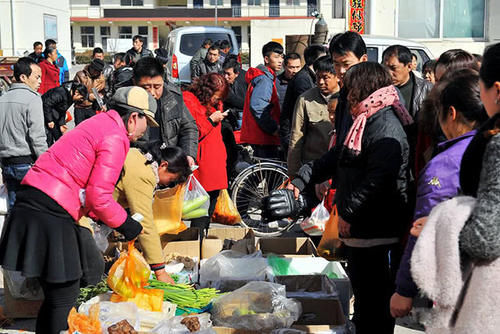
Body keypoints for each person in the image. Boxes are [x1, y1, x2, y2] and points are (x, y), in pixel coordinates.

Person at [265, 62, 412, 334]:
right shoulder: (364, 119)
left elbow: (376, 182)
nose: (347, 97)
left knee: (375, 303)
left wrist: (347, 212)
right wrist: (301, 179)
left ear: (365, 90)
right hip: (360, 229)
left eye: (351, 91)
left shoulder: (384, 126)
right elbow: (337, 158)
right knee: (365, 300)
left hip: (376, 230)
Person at [0, 86, 157, 333]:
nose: (145, 129)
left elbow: (86, 186)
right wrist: (127, 225)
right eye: (146, 121)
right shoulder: (115, 137)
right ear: (133, 117)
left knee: (56, 293)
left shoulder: (99, 123)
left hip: (33, 201)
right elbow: (99, 197)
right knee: (64, 292)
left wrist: (101, 216)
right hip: (50, 209)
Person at [390, 68, 487, 318]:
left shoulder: (447, 163)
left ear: (451, 113)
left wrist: (404, 289)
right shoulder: (491, 147)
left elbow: (423, 229)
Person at [114, 142, 191, 283]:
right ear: (164, 165)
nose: (167, 184)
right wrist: (160, 271)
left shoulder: (139, 157)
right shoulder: (143, 174)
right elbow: (145, 221)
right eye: (171, 179)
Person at [183, 73, 229, 233]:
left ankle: (201, 241)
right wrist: (211, 120)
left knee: (208, 208)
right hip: (202, 165)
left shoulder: (216, 104)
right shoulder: (189, 100)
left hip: (214, 161)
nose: (218, 101)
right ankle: (197, 243)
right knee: (200, 211)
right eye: (216, 97)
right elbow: (191, 132)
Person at [0, 57, 47, 209]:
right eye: (37, 77)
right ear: (23, 77)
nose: (40, 81)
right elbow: (37, 137)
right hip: (26, 164)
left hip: (7, 164)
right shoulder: (33, 99)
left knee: (15, 209)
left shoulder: (2, 99)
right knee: (33, 209)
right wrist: (46, 163)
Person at [134, 57, 198, 166]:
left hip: (167, 165)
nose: (152, 93)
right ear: (134, 82)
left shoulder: (173, 97)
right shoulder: (124, 102)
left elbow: (188, 127)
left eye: (157, 87)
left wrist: (188, 154)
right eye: (146, 87)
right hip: (139, 165)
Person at [287, 55, 339, 177]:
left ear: (337, 77)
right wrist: (293, 173)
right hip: (312, 167)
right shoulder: (305, 99)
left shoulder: (348, 98)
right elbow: (296, 136)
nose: (320, 82)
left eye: (325, 78)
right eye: (318, 77)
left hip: (338, 169)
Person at [240, 41, 284, 159]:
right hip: (264, 137)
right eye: (276, 57)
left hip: (259, 136)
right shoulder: (264, 79)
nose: (280, 60)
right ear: (266, 59)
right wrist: (273, 129)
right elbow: (258, 106)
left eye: (281, 57)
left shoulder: (262, 77)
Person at [280, 45, 327, 153]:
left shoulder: (308, 76)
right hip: (293, 132)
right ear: (317, 60)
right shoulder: (303, 79)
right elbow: (308, 107)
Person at [42, 81, 88, 145]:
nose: (80, 100)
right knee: (49, 139)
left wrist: (62, 124)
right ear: (76, 92)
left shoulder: (71, 97)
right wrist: (50, 120)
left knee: (60, 137)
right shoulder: (60, 92)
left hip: (55, 116)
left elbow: (62, 110)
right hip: (45, 115)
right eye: (81, 98)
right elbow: (47, 104)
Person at [73, 58, 106, 125]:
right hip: (80, 107)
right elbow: (75, 92)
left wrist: (102, 103)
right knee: (80, 130)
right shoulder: (80, 75)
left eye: (98, 71)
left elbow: (102, 92)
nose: (96, 73)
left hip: (93, 108)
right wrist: (88, 96)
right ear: (91, 67)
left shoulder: (101, 78)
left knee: (92, 129)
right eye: (95, 70)